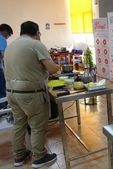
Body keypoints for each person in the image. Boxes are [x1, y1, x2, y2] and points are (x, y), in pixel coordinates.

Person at [4, 21, 60, 168]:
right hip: (30, 93)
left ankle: (19, 156)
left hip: (11, 92)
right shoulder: (36, 44)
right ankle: (40, 157)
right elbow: (52, 69)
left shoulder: (10, 46)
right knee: (37, 125)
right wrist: (57, 67)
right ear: (36, 32)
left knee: (19, 124)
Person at [0, 23, 13, 108]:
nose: (7, 37)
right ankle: (4, 110)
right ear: (4, 31)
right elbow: (4, 56)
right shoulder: (2, 39)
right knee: (2, 90)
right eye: (8, 34)